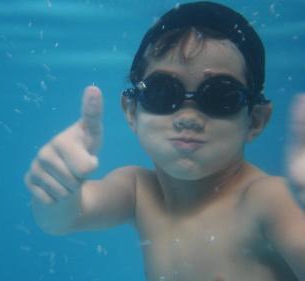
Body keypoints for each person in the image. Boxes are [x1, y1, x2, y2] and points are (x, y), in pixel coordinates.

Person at [24, 1, 305, 280]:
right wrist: (57, 191)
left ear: (254, 120)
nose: (188, 117)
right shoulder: (138, 190)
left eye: (220, 97)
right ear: (132, 111)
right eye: (163, 93)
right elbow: (64, 219)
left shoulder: (268, 200)